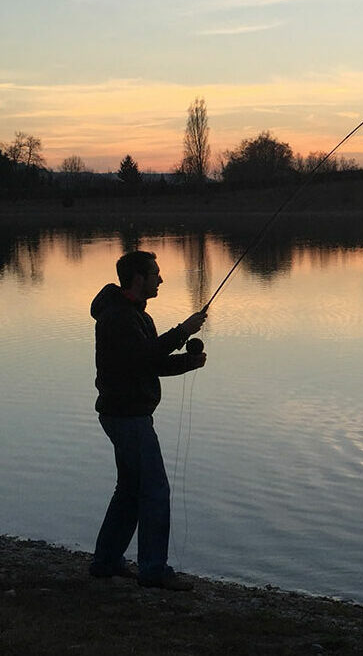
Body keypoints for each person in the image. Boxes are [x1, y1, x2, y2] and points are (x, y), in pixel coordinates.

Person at [89, 250, 207, 591]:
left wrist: (188, 362)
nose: (161, 278)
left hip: (125, 414)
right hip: (127, 417)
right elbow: (145, 357)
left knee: (129, 490)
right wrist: (183, 330)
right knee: (155, 490)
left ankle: (106, 562)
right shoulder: (119, 318)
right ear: (138, 278)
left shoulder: (135, 315)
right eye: (155, 273)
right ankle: (153, 570)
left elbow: (148, 364)